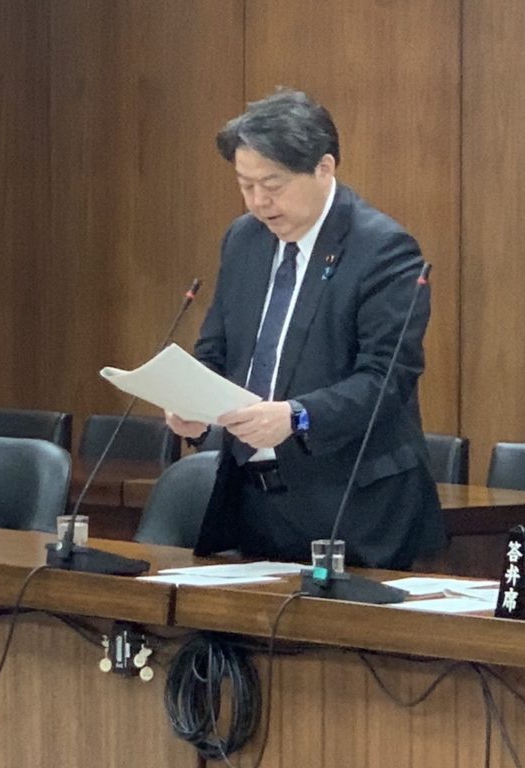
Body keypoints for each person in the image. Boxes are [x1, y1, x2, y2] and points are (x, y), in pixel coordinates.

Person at [165, 88, 445, 570]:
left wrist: (297, 416)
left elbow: (385, 379)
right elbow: (217, 350)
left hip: (353, 509)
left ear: (324, 168)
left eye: (273, 184)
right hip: (254, 503)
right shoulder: (244, 240)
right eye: (246, 185)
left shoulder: (382, 249)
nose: (259, 202)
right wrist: (192, 405)